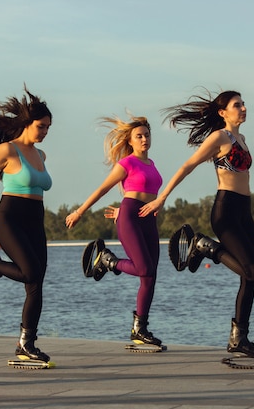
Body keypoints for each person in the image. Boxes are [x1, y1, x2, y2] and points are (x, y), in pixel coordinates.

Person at [139, 89, 254, 359]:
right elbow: (188, 165)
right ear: (223, 112)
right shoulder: (219, 137)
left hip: (245, 213)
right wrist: (162, 197)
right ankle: (206, 246)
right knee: (253, 270)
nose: (243, 108)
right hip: (226, 212)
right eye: (237, 105)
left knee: (252, 277)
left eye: (244, 104)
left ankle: (239, 339)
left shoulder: (241, 139)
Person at [65, 115, 164, 347]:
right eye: (139, 136)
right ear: (130, 141)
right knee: (143, 268)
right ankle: (109, 261)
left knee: (150, 277)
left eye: (147, 135)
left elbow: (151, 192)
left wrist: (155, 207)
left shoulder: (152, 164)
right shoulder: (127, 164)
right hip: (129, 215)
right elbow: (103, 189)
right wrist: (80, 211)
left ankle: (140, 329)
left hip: (148, 218)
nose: (144, 139)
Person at [0, 87, 53, 363]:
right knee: (30, 272)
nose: (45, 132)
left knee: (36, 283)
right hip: (9, 217)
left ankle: (26, 345)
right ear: (27, 124)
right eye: (41, 126)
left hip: (35, 218)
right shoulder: (7, 150)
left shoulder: (41, 156)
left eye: (47, 128)